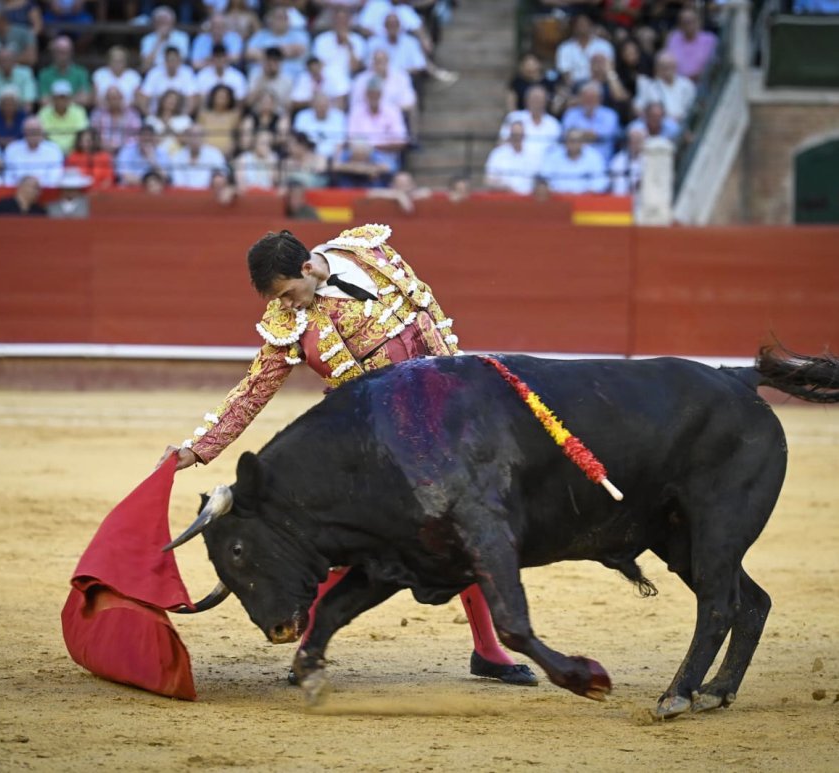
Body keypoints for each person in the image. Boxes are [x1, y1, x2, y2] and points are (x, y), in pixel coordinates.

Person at [159, 224, 538, 688]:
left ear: (307, 267)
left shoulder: (369, 253)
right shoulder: (288, 322)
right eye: (277, 299)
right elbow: (255, 389)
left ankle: (488, 649)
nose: (287, 304)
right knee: (336, 542)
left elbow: (429, 319)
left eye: (289, 292)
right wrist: (198, 449)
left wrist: (459, 404)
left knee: (464, 529)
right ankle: (306, 652)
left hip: (435, 426)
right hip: (365, 445)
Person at [634, 49, 695, 123]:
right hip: (661, 126)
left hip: (684, 122)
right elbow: (638, 107)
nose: (667, 69)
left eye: (670, 65)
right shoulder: (650, 86)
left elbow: (693, 107)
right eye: (663, 66)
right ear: (657, 69)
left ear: (675, 66)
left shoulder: (687, 84)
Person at [539, 128, 609, 194]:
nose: (574, 144)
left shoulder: (594, 156)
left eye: (578, 141)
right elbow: (544, 179)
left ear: (583, 142)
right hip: (558, 199)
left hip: (586, 200)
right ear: (565, 142)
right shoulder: (553, 156)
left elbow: (601, 181)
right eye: (571, 140)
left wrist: (589, 191)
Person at [3, 116, 64, 186]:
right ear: (24, 132)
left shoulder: (53, 150)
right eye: (30, 131)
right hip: (17, 192)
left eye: (36, 131)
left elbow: (54, 179)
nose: (33, 135)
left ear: (42, 132)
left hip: (45, 191)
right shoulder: (12, 149)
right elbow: (8, 178)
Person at [484, 120, 540, 196]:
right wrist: (505, 187)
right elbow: (488, 181)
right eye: (515, 135)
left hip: (527, 200)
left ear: (524, 135)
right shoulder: (498, 154)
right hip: (505, 198)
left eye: (519, 135)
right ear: (510, 135)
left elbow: (538, 180)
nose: (517, 138)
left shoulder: (533, 155)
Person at [665, 7, 718, 82]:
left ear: (699, 22)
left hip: (703, 82)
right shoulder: (673, 38)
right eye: (684, 22)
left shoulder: (710, 39)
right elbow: (667, 63)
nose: (688, 25)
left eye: (691, 22)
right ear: (679, 25)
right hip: (678, 83)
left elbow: (714, 66)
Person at [37, 35, 92, 107]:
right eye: (59, 52)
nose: (62, 56)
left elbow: (85, 99)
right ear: (53, 53)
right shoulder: (44, 74)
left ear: (71, 53)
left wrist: (55, 100)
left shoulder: (81, 73)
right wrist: (74, 98)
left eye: (65, 52)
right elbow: (43, 101)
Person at [37, 80, 89, 154]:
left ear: (69, 98)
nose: (61, 101)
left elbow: (82, 134)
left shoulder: (79, 111)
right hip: (49, 152)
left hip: (75, 151)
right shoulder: (43, 113)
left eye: (64, 97)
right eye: (58, 97)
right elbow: (42, 135)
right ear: (52, 98)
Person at [90, 85, 142, 155]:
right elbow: (93, 134)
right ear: (106, 100)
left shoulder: (132, 114)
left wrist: (122, 146)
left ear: (122, 98)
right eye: (110, 98)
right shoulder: (98, 114)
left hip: (126, 151)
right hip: (102, 151)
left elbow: (136, 134)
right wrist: (102, 145)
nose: (113, 101)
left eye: (116, 98)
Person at [140, 6, 190, 73]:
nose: (164, 25)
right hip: (155, 71)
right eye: (160, 22)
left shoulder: (182, 37)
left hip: (176, 71)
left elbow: (183, 60)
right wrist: (159, 41)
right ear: (155, 23)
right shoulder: (147, 39)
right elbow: (146, 64)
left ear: (172, 22)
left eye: (166, 21)